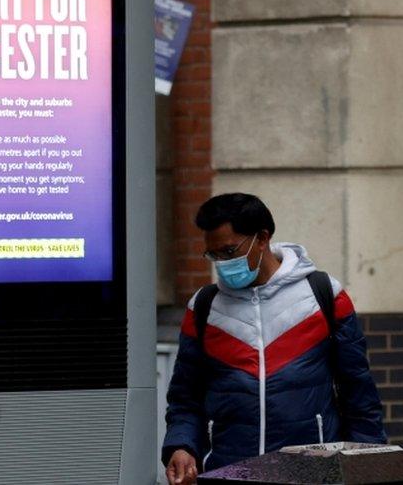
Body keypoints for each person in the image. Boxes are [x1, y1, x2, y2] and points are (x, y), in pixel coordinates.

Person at [162, 193, 386, 484]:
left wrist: (369, 461)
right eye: (213, 255)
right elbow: (185, 397)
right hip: (227, 469)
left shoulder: (324, 295)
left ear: (263, 238)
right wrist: (181, 445)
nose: (222, 263)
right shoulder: (203, 307)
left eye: (229, 252)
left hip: (312, 472)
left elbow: (358, 391)